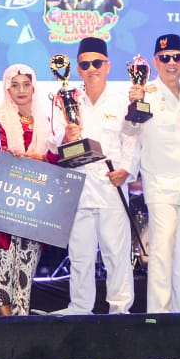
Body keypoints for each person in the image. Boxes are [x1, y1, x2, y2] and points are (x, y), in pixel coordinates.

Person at [44, 36, 137, 314]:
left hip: (111, 185)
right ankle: (80, 308)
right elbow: (52, 141)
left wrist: (127, 170)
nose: (91, 69)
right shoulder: (66, 99)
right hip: (78, 187)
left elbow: (133, 138)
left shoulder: (122, 100)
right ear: (77, 68)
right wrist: (65, 137)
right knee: (80, 255)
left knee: (116, 254)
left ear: (107, 65)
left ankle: (120, 309)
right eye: (85, 65)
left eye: (97, 63)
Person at [125, 34, 180, 313]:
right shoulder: (144, 93)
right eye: (165, 58)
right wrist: (132, 107)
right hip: (161, 185)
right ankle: (159, 316)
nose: (171, 62)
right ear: (155, 62)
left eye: (177, 57)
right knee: (162, 253)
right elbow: (128, 133)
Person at [0, 64, 47, 315]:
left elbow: (56, 157)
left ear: (34, 87)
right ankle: (4, 324)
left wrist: (41, 158)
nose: (21, 90)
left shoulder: (47, 121)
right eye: (14, 85)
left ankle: (21, 320)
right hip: (1, 202)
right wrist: (8, 155)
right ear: (7, 89)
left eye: (26, 84)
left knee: (26, 266)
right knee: (1, 267)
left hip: (33, 202)